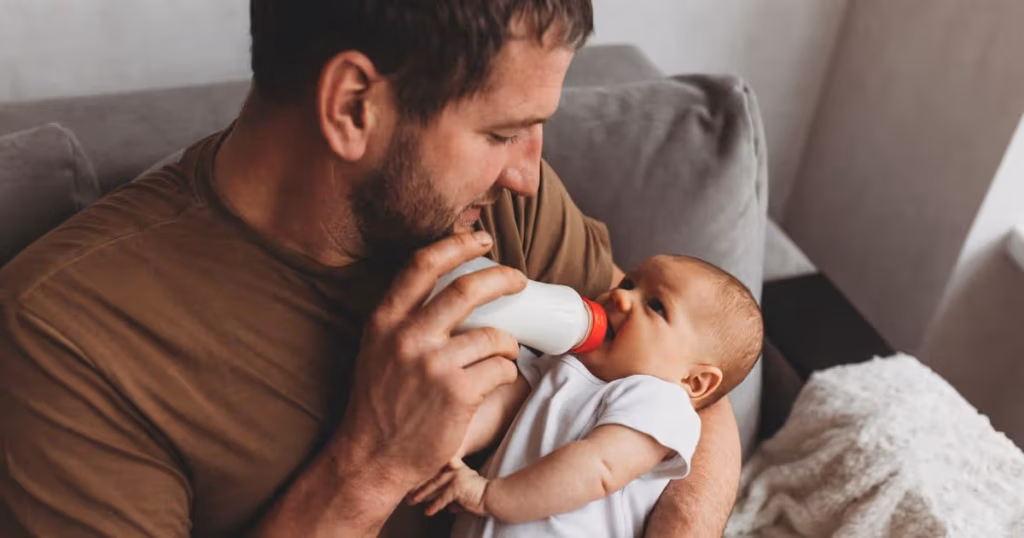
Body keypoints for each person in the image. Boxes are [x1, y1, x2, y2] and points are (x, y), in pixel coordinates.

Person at [0, 1, 742, 536]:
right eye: (503, 133)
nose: (527, 172)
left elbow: (687, 382)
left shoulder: (496, 205)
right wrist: (371, 464)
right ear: (354, 106)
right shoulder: (68, 339)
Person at [409, 255, 763, 537]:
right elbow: (502, 404)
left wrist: (488, 496)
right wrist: (453, 442)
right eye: (630, 283)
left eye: (656, 306)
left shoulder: (662, 402)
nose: (621, 296)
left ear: (696, 382)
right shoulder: (563, 361)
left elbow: (600, 468)